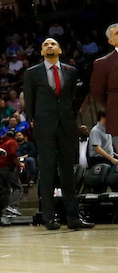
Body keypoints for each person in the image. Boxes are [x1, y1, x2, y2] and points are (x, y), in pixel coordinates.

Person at [24, 37, 91, 230]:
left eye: (53, 44)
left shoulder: (71, 71)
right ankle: (49, 217)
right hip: (44, 127)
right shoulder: (32, 73)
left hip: (66, 126)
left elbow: (72, 98)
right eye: (46, 44)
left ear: (60, 50)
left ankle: (73, 217)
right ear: (42, 52)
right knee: (46, 172)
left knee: (68, 172)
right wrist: (36, 121)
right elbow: (30, 102)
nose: (50, 46)